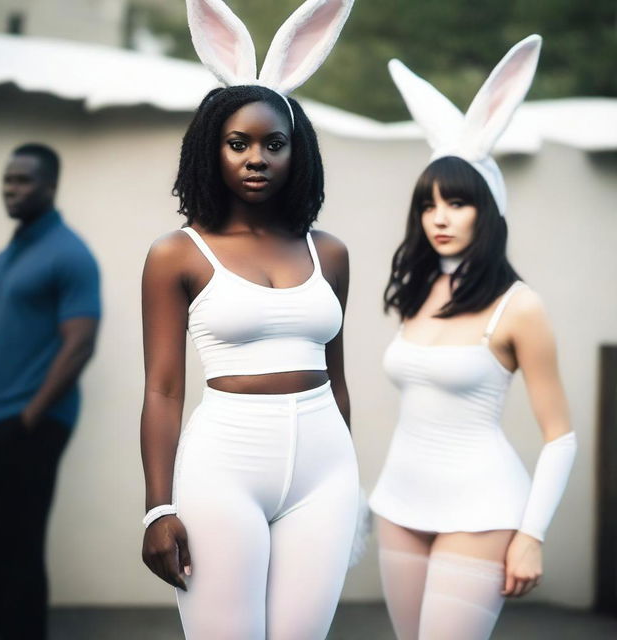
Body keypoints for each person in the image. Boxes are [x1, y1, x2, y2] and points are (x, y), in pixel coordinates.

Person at [140, 1, 358, 638]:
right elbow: (162, 389)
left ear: (298, 153)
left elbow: (336, 376)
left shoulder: (331, 253)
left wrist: (353, 475)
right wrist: (157, 507)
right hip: (223, 466)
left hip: (327, 472)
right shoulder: (177, 254)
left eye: (274, 143)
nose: (256, 157)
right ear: (214, 150)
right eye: (239, 143)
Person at [369, 36, 577, 639]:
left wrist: (530, 535)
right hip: (400, 502)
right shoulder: (416, 290)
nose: (439, 217)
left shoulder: (520, 307)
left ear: (487, 211)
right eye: (429, 204)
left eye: (457, 203)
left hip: (482, 511)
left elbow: (559, 436)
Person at [0, 143, 101, 640]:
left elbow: (80, 344)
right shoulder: (2, 260)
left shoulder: (70, 254)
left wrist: (29, 418)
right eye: (8, 179)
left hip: (34, 420)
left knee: (18, 543)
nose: (12, 188)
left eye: (23, 180)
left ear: (50, 186)